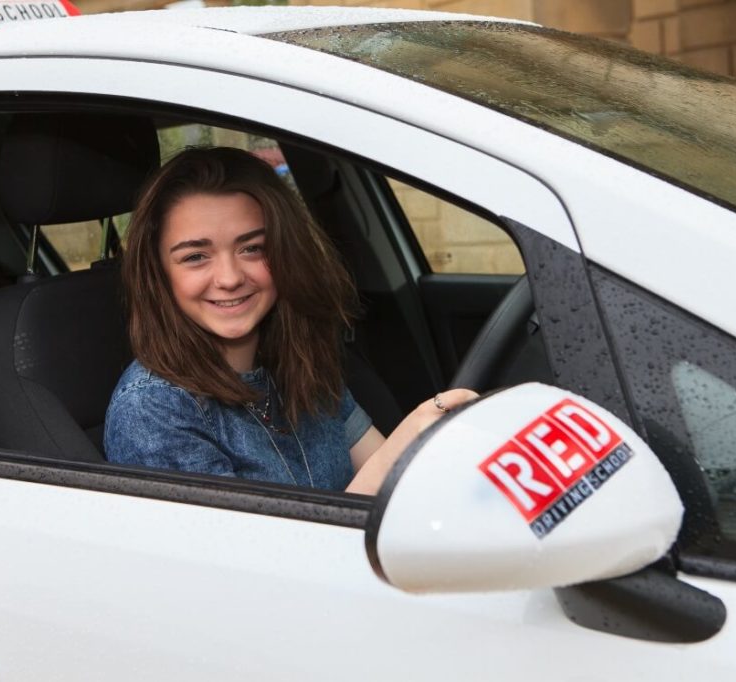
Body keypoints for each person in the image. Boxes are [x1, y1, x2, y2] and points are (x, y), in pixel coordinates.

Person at [104, 147, 476, 495]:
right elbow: (264, 561)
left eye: (253, 248)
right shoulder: (152, 411)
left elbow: (402, 486)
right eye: (196, 257)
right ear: (159, 273)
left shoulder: (299, 364)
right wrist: (411, 432)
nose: (230, 277)